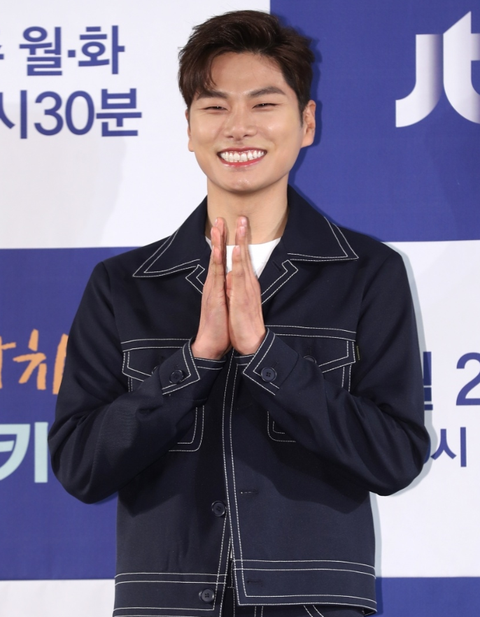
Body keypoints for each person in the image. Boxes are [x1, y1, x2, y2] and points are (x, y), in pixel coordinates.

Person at [49, 10, 429, 617]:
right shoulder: (123, 285)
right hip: (166, 602)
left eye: (264, 104)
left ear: (307, 122)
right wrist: (194, 361)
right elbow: (79, 467)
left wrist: (266, 354)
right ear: (189, 128)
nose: (238, 127)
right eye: (215, 106)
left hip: (312, 602)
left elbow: (394, 458)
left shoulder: (367, 273)